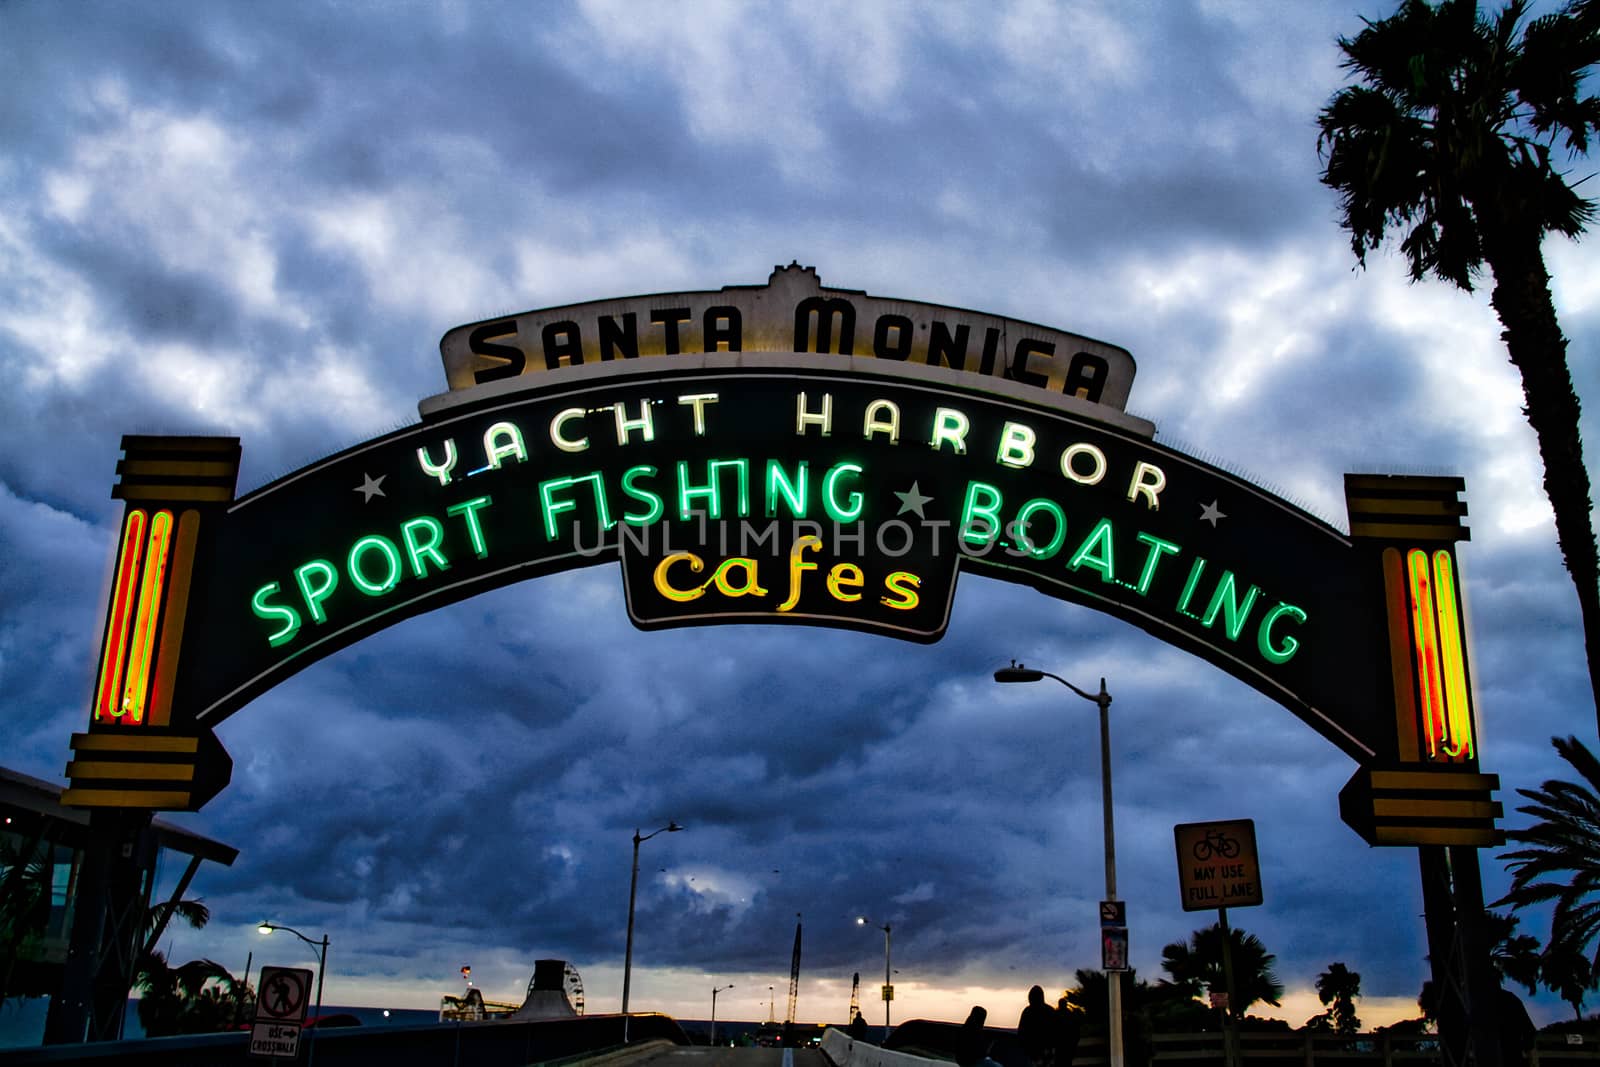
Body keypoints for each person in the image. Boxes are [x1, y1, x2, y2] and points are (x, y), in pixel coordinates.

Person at [1017, 986, 1055, 1067]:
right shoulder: (1050, 1010)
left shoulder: (1027, 1011)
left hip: (1033, 1052)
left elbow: (1021, 1032)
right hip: (1047, 1051)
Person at [1053, 995, 1081, 1067]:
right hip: (1068, 1046)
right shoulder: (1070, 1015)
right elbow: (1076, 1031)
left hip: (1060, 1046)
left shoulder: (1056, 1015)